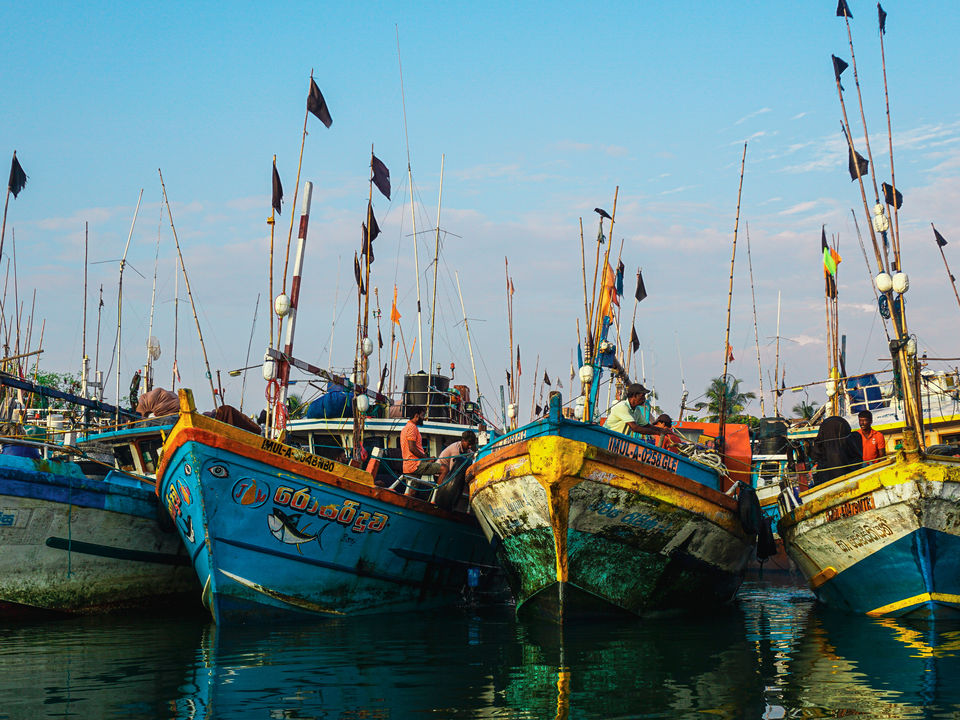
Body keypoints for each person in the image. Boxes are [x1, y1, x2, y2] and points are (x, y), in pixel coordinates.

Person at [400, 406, 444, 493]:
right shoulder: (412, 428)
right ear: (416, 416)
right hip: (414, 465)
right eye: (422, 415)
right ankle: (439, 496)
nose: (423, 418)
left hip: (408, 465)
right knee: (444, 469)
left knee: (411, 493)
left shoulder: (406, 427)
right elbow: (412, 448)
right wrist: (427, 459)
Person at [432, 431, 479, 511]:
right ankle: (438, 500)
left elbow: (473, 456)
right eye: (469, 444)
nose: (470, 446)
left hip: (450, 474)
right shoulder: (455, 450)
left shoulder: (466, 449)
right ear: (463, 441)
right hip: (440, 475)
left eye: (472, 444)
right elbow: (453, 472)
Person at [810, 416, 863, 486]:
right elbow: (857, 456)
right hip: (852, 479)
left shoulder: (820, 444)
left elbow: (815, 456)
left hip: (827, 482)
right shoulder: (852, 439)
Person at [603, 383, 667, 437]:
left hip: (617, 440)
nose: (644, 399)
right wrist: (658, 433)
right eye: (642, 396)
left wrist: (662, 430)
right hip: (606, 436)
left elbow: (646, 425)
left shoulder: (636, 410)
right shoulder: (622, 406)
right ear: (634, 396)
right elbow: (635, 428)